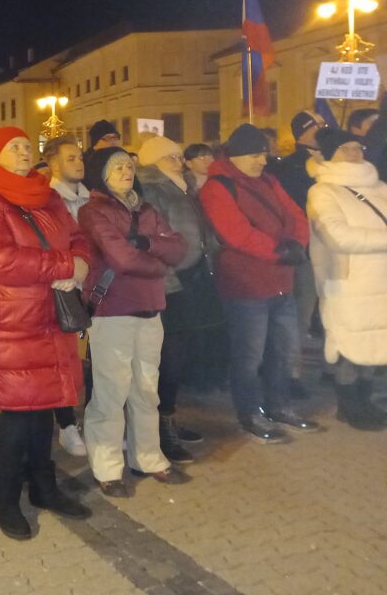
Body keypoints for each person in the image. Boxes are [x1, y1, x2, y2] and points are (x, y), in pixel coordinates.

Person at [0, 127, 91, 539]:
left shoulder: (49, 198)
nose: (23, 152)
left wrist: (81, 266)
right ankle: (5, 498)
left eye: (25, 145)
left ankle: (43, 486)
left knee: (45, 408)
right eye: (13, 147)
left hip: (52, 318)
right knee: (19, 414)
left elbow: (78, 241)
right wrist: (63, 268)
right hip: (11, 323)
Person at [199, 124, 319, 444]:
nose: (262, 161)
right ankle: (250, 412)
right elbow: (236, 233)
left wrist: (296, 242)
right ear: (236, 156)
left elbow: (296, 216)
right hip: (246, 285)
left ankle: (280, 406)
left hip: (281, 281)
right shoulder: (217, 186)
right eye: (255, 155)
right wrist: (280, 253)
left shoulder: (269, 180)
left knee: (283, 350)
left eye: (263, 154)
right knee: (249, 356)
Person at [79, 147, 188, 497]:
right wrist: (158, 262)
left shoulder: (147, 208)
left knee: (146, 388)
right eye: (117, 167)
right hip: (113, 310)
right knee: (111, 392)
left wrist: (146, 241)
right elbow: (122, 258)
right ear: (101, 175)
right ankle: (107, 466)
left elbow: (179, 248)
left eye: (128, 165)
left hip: (150, 307)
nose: (126, 171)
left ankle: (148, 456)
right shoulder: (93, 211)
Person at [137, 136, 222, 464]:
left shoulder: (184, 186)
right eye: (169, 157)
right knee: (167, 358)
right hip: (170, 283)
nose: (178, 161)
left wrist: (210, 248)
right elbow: (155, 241)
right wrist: (168, 279)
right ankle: (159, 426)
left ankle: (170, 417)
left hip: (194, 279)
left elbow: (200, 230)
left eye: (178, 155)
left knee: (182, 354)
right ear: (153, 162)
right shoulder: (152, 189)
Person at [306, 129, 387, 430]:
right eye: (345, 148)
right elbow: (338, 236)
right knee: (350, 346)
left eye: (357, 147)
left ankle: (366, 401)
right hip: (349, 282)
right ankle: (349, 405)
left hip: (382, 281)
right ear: (330, 154)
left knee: (377, 344)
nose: (355, 152)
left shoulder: (379, 186)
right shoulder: (323, 191)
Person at [270, 110, 327, 399]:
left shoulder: (334, 160)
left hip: (331, 250)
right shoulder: (291, 166)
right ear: (303, 131)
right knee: (300, 315)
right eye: (318, 124)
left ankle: (334, 367)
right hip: (305, 251)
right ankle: (290, 373)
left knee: (332, 311)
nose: (324, 127)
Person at [43, 135, 91, 457]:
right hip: (61, 290)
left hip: (95, 287)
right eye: (70, 157)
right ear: (52, 162)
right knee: (64, 360)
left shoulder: (93, 198)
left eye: (79, 156)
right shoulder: (46, 200)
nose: (78, 161)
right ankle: (66, 424)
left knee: (92, 360)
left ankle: (95, 422)